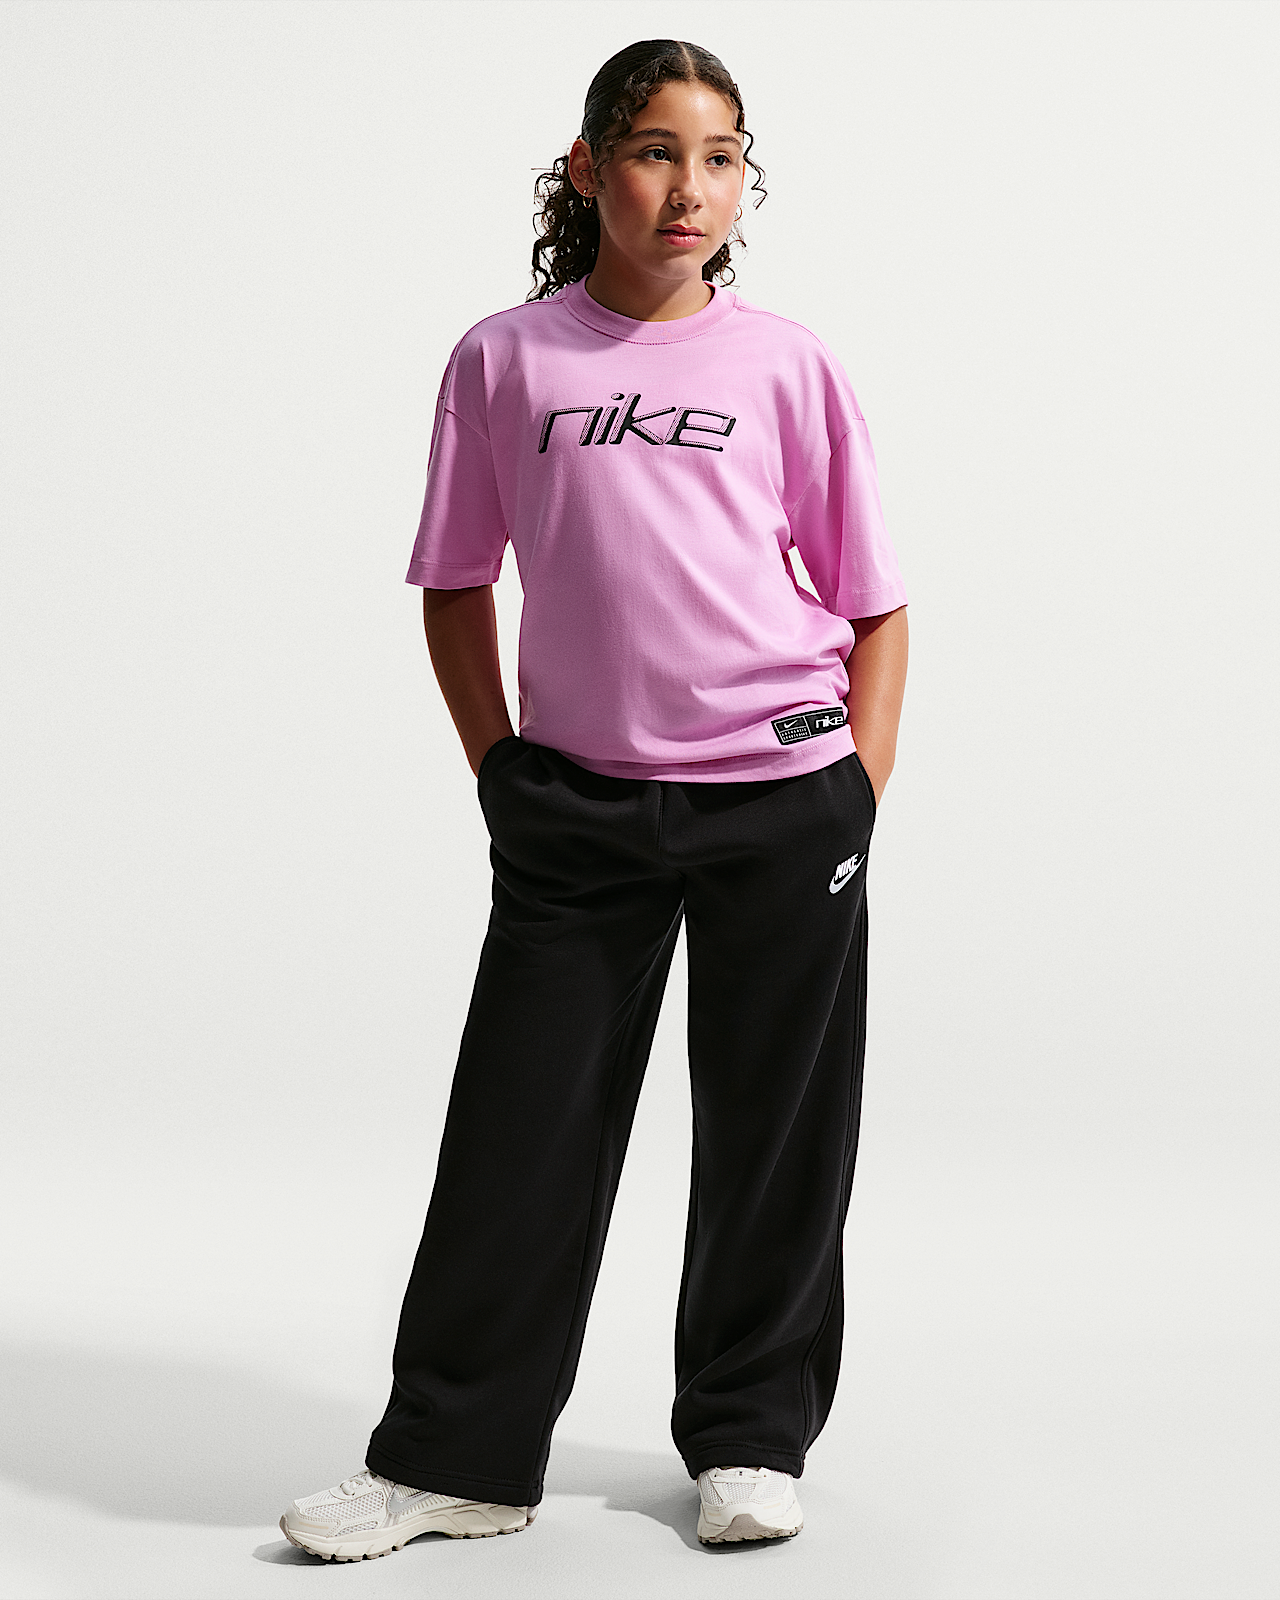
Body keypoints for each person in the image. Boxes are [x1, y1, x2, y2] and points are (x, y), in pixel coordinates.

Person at [280, 37, 908, 1561]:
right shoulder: (506, 360)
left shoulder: (788, 364)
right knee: (520, 1130)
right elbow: (453, 583)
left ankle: (749, 1438)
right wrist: (502, 768)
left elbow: (876, 600)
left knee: (775, 1134)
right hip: (576, 808)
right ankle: (460, 1459)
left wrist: (855, 792)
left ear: (744, 180)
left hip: (781, 795)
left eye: (719, 156)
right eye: (652, 150)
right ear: (586, 169)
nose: (689, 187)